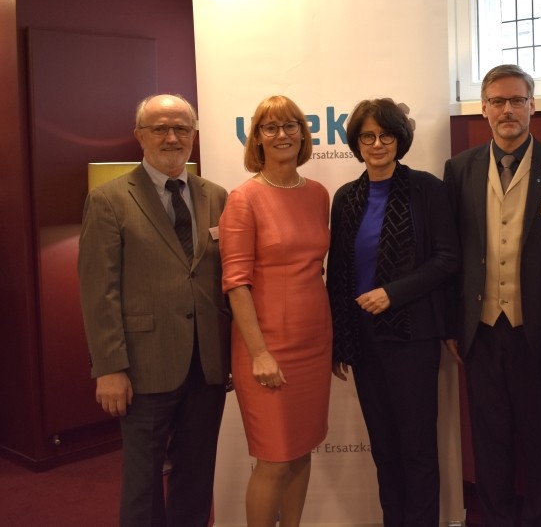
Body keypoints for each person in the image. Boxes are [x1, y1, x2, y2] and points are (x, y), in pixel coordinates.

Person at [79, 93, 229, 527]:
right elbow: (98, 290)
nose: (171, 137)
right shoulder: (108, 200)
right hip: (143, 367)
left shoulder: (215, 196)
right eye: (160, 128)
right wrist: (109, 367)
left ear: (193, 135)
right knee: (143, 482)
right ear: (139, 136)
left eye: (182, 128)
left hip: (207, 364)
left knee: (197, 476)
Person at [443, 64, 541, 526]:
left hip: (538, 331)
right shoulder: (459, 169)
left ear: (532, 107)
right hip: (481, 332)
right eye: (498, 101)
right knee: (490, 441)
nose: (508, 110)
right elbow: (451, 254)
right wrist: (451, 326)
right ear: (483, 109)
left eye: (517, 101)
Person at [328, 98, 459, 527]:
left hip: (412, 337)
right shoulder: (346, 198)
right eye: (368, 136)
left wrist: (392, 293)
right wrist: (340, 341)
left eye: (386, 135)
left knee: (417, 450)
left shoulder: (426, 188)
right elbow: (340, 276)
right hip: (364, 342)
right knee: (384, 449)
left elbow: (446, 258)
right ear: (356, 142)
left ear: (400, 139)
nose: (378, 144)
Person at [219, 95, 331, 527]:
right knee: (273, 460)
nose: (282, 134)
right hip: (266, 346)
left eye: (291, 126)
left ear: (303, 134)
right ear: (258, 139)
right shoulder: (244, 199)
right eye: (271, 128)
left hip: (314, 343)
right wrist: (259, 352)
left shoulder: (318, 194)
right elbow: (236, 282)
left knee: (301, 453)